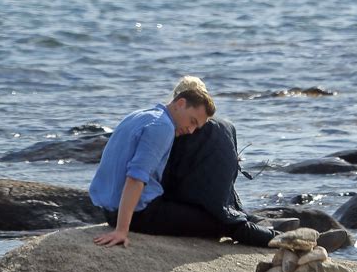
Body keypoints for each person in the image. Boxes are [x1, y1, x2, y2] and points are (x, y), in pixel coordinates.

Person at [90, 76, 277, 248]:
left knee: (208, 215)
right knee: (221, 222)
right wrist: (122, 230)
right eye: (193, 121)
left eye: (197, 126)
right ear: (180, 103)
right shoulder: (162, 127)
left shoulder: (141, 115)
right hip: (140, 213)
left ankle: (262, 226)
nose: (191, 130)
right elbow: (136, 177)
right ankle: (279, 238)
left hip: (110, 210)